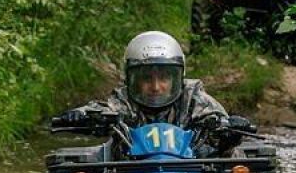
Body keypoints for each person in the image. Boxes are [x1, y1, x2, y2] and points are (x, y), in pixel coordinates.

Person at [54, 31, 233, 151]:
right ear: (132, 79)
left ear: (177, 78)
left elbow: (219, 119)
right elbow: (104, 109)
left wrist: (228, 127)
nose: (155, 87)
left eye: (163, 78)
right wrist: (81, 114)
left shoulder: (193, 98)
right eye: (147, 79)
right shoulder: (124, 101)